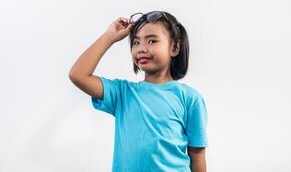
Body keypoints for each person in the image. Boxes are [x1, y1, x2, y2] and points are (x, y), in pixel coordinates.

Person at [69, 11, 208, 172]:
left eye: (152, 40)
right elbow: (78, 75)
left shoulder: (190, 98)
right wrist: (110, 36)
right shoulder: (122, 93)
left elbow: (197, 156)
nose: (141, 48)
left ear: (175, 47)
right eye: (135, 42)